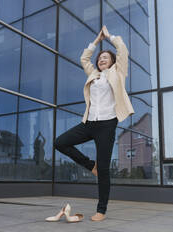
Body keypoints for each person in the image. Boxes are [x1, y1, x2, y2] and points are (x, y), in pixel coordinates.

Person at [54, 26, 134, 221]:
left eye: (105, 57)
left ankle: (101, 210)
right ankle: (91, 165)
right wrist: (96, 42)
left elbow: (122, 50)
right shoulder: (94, 74)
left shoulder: (118, 72)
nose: (101, 59)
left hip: (107, 124)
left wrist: (109, 37)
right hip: (89, 123)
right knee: (60, 142)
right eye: (100, 58)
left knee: (105, 169)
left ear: (113, 61)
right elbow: (84, 59)